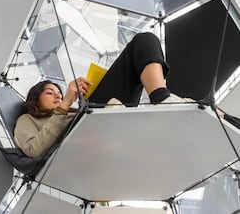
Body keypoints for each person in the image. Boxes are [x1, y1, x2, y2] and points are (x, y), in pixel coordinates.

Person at [14, 32, 193, 158]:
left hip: (100, 117)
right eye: (49, 92)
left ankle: (162, 97)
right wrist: (67, 101)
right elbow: (34, 150)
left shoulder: (68, 111)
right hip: (79, 136)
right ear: (35, 98)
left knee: (144, 40)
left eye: (59, 93)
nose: (57, 96)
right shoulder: (27, 120)